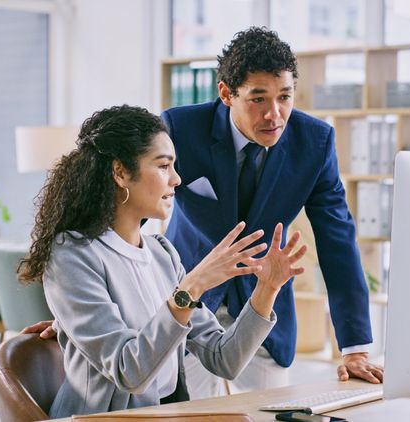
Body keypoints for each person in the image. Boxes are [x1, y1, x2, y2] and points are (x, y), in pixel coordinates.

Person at [18, 105, 308, 417]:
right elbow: (129, 371)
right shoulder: (72, 255)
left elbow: (225, 359)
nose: (176, 179)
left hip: (166, 413)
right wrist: (191, 288)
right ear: (120, 172)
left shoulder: (162, 254)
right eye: (163, 166)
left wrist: (267, 289)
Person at [161, 26, 383, 398]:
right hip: (192, 306)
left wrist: (355, 347)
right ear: (227, 93)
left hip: (264, 308)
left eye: (285, 97)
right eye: (258, 99)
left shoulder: (314, 142)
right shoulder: (181, 129)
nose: (274, 114)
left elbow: (338, 240)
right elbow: (130, 211)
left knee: (271, 413)